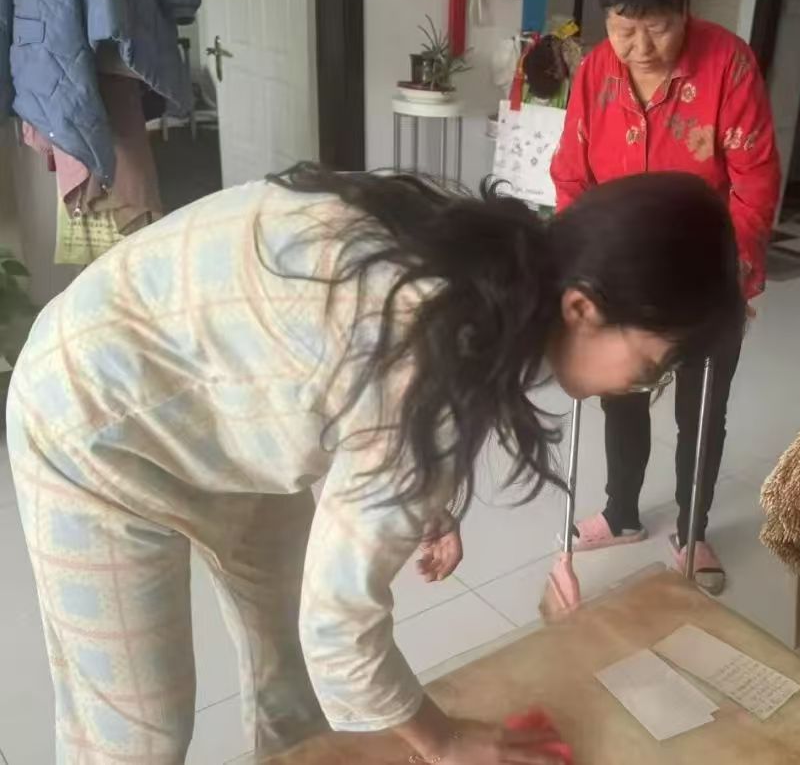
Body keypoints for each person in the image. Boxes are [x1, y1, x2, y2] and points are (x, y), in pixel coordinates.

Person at [8, 165, 745, 764]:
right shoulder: (429, 355)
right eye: (652, 365)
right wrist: (444, 743)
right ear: (582, 308)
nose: (639, 386)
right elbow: (341, 628)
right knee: (137, 733)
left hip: (216, 402)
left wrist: (426, 495)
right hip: (90, 415)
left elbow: (362, 386)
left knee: (285, 663)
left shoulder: (492, 263)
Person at [550, 0, 781, 592]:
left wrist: (728, 275)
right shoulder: (595, 71)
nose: (639, 47)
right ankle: (621, 512)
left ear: (685, 7)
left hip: (706, 273)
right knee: (618, 395)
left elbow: (755, 183)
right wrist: (577, 263)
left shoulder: (729, 64)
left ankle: (692, 528)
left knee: (701, 410)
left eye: (656, 27)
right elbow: (572, 176)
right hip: (621, 276)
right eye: (623, 28)